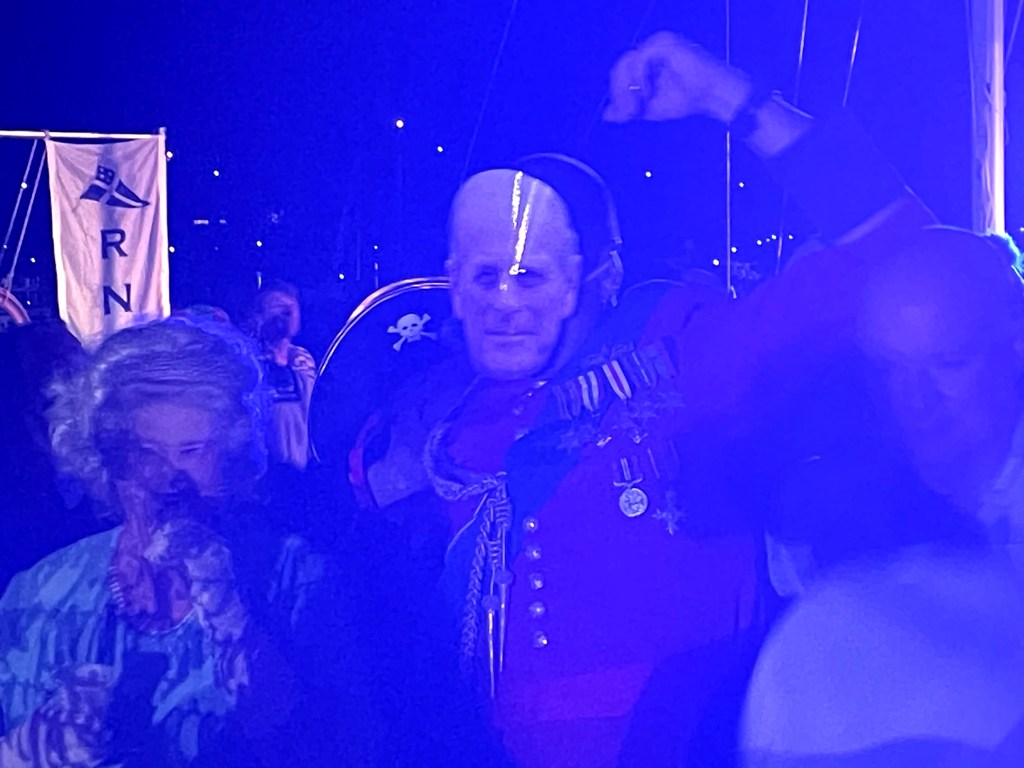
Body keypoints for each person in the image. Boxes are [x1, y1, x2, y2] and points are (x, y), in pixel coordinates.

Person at [0, 318, 320, 767]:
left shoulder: (292, 576)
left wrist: (228, 610)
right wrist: (23, 753)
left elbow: (336, 743)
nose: (168, 479)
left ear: (230, 453)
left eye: (192, 452)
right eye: (144, 453)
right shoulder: (40, 593)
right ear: (106, 459)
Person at [248, 281, 316, 471]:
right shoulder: (250, 361)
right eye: (276, 310)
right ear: (258, 316)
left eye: (290, 311)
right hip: (264, 469)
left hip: (302, 466)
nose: (284, 318)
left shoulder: (303, 359)